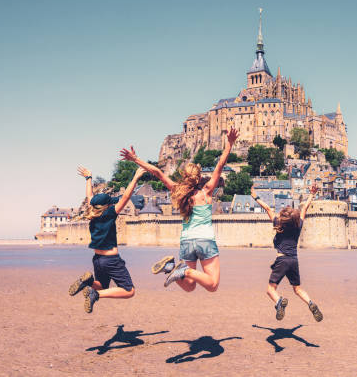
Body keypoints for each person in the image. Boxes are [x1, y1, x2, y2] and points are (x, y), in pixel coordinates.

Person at [119, 127, 239, 292]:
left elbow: (158, 173)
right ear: (198, 178)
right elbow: (220, 165)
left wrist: (135, 159)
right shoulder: (206, 192)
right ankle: (185, 270)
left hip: (187, 242)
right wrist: (230, 144)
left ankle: (171, 268)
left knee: (189, 287)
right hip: (205, 241)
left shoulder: (178, 191)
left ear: (184, 176)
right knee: (212, 285)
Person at [68, 166, 146, 313]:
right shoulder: (110, 213)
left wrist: (88, 178)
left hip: (97, 259)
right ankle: (94, 293)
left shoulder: (93, 213)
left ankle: (88, 283)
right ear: (107, 206)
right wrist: (135, 177)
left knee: (101, 284)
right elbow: (126, 196)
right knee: (129, 291)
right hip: (111, 261)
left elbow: (90, 197)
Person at [251, 184, 323, 322]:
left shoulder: (278, 223)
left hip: (282, 260)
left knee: (270, 290)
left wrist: (255, 196)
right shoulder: (298, 225)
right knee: (297, 289)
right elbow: (304, 208)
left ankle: (279, 302)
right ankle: (310, 303)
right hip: (294, 261)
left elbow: (267, 208)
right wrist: (312, 195)